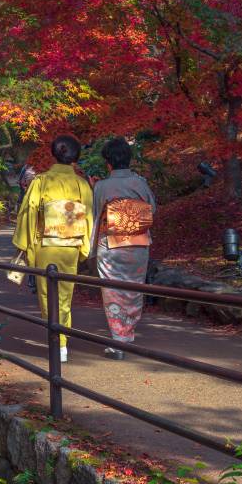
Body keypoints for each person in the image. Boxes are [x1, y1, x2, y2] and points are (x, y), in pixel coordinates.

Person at [13, 135, 94, 363]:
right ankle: (62, 343)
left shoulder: (41, 181)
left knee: (48, 294)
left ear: (54, 154)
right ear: (76, 157)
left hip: (45, 245)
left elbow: (28, 212)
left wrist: (25, 244)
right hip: (70, 246)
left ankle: (57, 343)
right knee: (65, 295)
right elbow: (88, 215)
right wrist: (84, 246)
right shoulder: (81, 183)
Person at [92, 137, 157, 359]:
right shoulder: (141, 183)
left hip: (112, 245)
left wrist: (89, 249)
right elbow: (153, 209)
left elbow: (94, 215)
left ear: (108, 162)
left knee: (113, 292)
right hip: (138, 244)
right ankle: (126, 336)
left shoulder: (102, 186)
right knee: (134, 291)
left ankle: (119, 341)